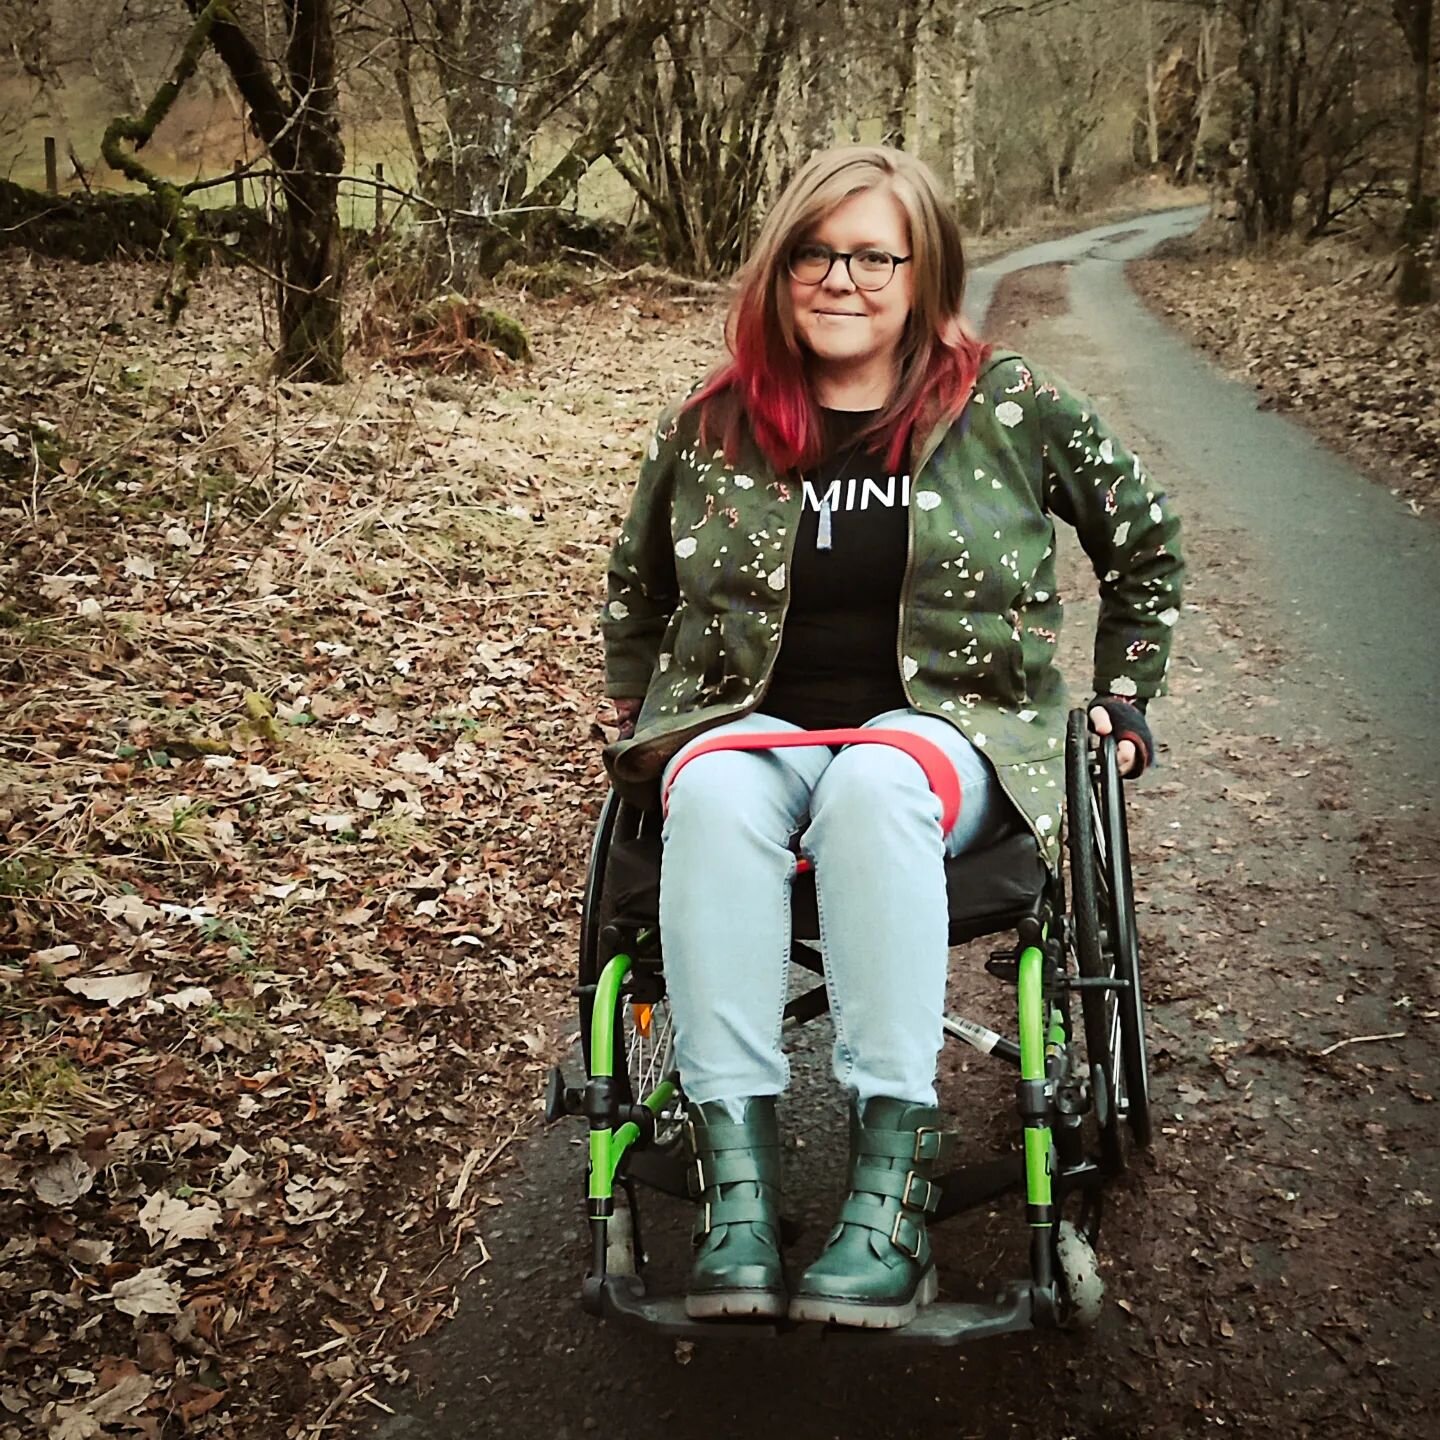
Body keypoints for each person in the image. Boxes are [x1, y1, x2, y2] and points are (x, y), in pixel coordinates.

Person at [598, 145, 1183, 1330]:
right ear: (779, 269)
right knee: (707, 796)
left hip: (949, 736)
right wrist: (643, 720)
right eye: (814, 251)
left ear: (923, 273)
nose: (841, 277)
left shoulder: (1007, 405)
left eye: (873, 254)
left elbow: (1146, 545)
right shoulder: (711, 425)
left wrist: (1122, 698)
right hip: (758, 730)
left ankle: (891, 1188)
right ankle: (742, 1195)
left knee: (873, 779)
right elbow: (636, 593)